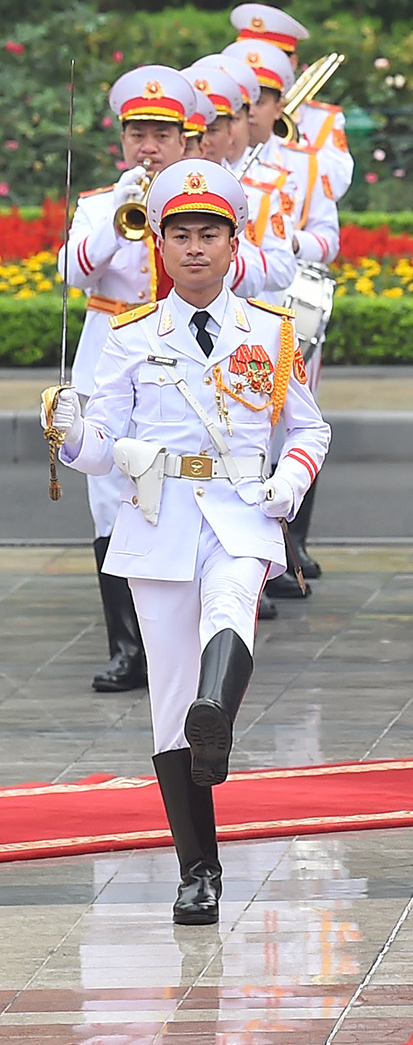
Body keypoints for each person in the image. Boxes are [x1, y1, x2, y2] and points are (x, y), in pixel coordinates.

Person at [45, 159, 330, 925]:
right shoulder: (131, 335)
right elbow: (103, 446)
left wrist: (291, 483)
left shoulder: (269, 333)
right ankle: (197, 869)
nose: (195, 248)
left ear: (235, 244)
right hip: (159, 512)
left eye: (210, 233)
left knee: (235, 601)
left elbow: (308, 426)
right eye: (181, 235)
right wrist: (70, 435)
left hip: (241, 509)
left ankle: (218, 710)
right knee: (168, 699)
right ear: (160, 248)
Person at [59, 66, 281, 691]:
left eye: (161, 133)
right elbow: (73, 272)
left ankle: (190, 629)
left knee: (177, 497)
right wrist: (123, 211)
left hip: (189, 364)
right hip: (115, 350)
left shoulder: (210, 197)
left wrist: (183, 234)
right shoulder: (100, 204)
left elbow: (249, 275)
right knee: (109, 503)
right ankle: (126, 645)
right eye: (137, 133)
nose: (148, 146)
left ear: (186, 138)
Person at [231, 4, 348, 586]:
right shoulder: (208, 160)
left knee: (291, 424)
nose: (252, 109)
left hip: (287, 303)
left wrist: (283, 239)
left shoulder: (302, 166)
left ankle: (289, 545)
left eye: (263, 97)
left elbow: (327, 240)